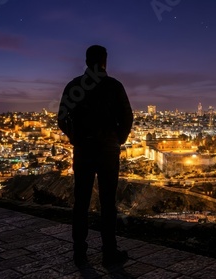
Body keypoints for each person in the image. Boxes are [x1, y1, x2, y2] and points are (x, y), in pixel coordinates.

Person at [57, 45, 133, 267]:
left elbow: (62, 119)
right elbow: (127, 117)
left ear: (86, 60)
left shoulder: (74, 86)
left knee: (81, 201)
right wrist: (118, 139)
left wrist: (75, 138)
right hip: (108, 151)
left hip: (84, 151)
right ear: (104, 61)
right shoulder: (114, 86)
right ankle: (109, 253)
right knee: (108, 203)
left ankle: (79, 253)